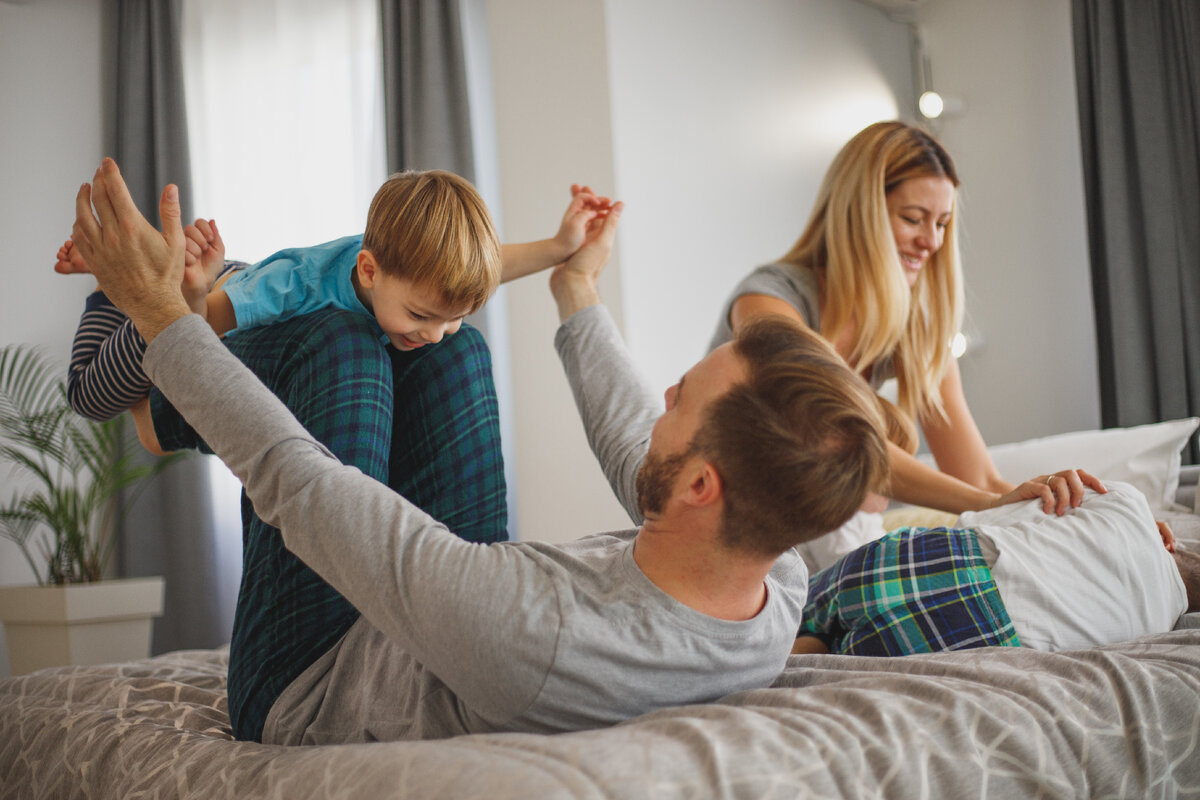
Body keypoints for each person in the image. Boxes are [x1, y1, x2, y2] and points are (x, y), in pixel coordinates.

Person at [70, 157, 906, 743]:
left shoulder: (533, 636)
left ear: (700, 485)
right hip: (442, 622)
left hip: (310, 679)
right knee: (449, 344)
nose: (669, 391)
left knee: (339, 339)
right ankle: (207, 329)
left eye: (687, 395)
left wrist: (161, 317)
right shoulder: (774, 571)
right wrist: (574, 286)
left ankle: (154, 413)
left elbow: (305, 486)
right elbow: (632, 447)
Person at [57, 170, 613, 422]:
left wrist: (562, 246)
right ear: (368, 271)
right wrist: (182, 293)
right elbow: (192, 328)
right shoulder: (294, 284)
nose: (435, 335)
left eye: (454, 320)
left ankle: (154, 258)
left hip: (243, 289)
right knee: (93, 393)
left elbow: (492, 265)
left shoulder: (415, 278)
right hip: (217, 297)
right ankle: (112, 278)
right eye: (422, 316)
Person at [710, 121, 1017, 528]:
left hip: (822, 525)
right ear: (859, 215)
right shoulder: (768, 301)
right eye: (913, 218)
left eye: (941, 223)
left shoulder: (913, 325)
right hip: (735, 522)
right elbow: (842, 442)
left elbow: (978, 478)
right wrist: (984, 504)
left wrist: (1036, 505)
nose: (933, 242)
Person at [794, 480, 1199, 656]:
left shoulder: (1126, 501)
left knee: (792, 610)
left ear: (1171, 541)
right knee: (817, 653)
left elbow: (983, 522)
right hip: (986, 636)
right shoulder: (1156, 634)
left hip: (951, 561)